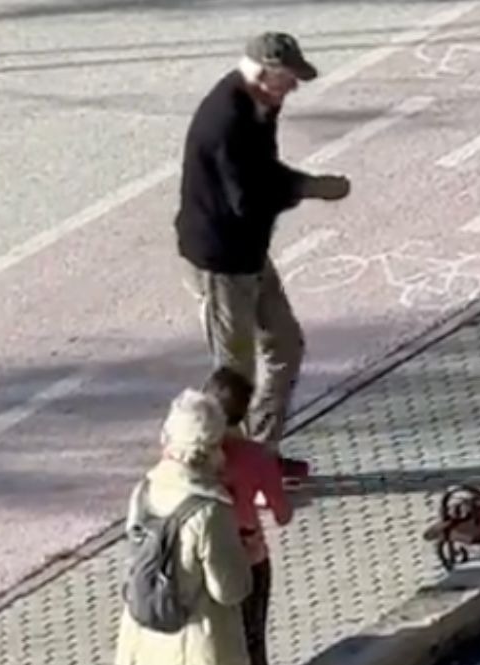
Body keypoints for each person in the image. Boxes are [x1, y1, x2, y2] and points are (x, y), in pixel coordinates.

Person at [175, 31, 351, 469]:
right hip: (220, 263)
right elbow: (247, 199)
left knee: (284, 345)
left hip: (249, 253)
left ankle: (261, 454)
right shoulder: (227, 122)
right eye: (289, 78)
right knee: (234, 374)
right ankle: (222, 467)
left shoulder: (261, 105)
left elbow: (263, 172)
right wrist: (306, 188)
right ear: (264, 72)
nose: (294, 88)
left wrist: (296, 183)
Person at [114, 389, 252, 665]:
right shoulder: (210, 511)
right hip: (196, 654)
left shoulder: (144, 491)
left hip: (146, 645)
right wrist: (246, 555)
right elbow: (229, 590)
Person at [202, 367, 293, 665]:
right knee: (252, 638)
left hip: (205, 557)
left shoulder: (191, 454)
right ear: (243, 413)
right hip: (249, 556)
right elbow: (282, 514)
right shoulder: (256, 457)